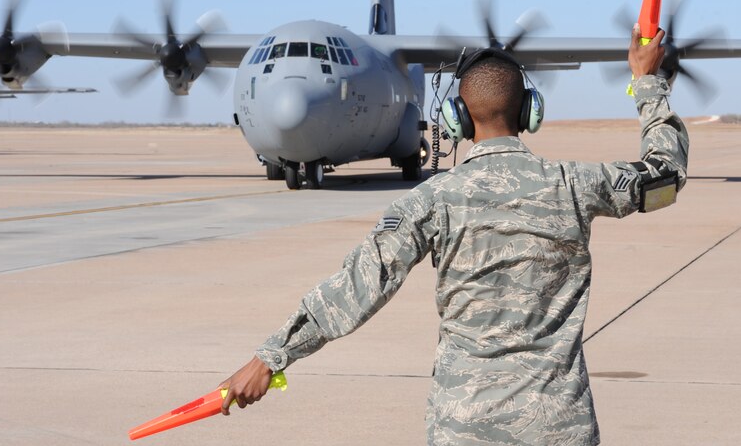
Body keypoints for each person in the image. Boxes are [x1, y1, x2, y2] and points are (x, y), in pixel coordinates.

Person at [218, 25, 687, 445]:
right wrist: (647, 82)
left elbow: (356, 287)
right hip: (558, 429)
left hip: (463, 430)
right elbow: (666, 175)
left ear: (457, 117)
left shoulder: (429, 202)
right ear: (530, 111)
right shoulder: (574, 185)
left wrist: (269, 359)